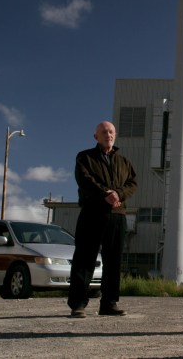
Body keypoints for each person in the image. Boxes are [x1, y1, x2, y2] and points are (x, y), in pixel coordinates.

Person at [68, 121, 137, 318]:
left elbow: (132, 183)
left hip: (117, 215)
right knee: (85, 258)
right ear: (96, 136)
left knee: (113, 260)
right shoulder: (85, 157)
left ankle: (109, 303)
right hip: (92, 212)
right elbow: (85, 179)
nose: (108, 135)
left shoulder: (124, 162)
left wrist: (119, 194)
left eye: (111, 131)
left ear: (115, 135)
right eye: (104, 132)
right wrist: (104, 194)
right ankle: (78, 304)